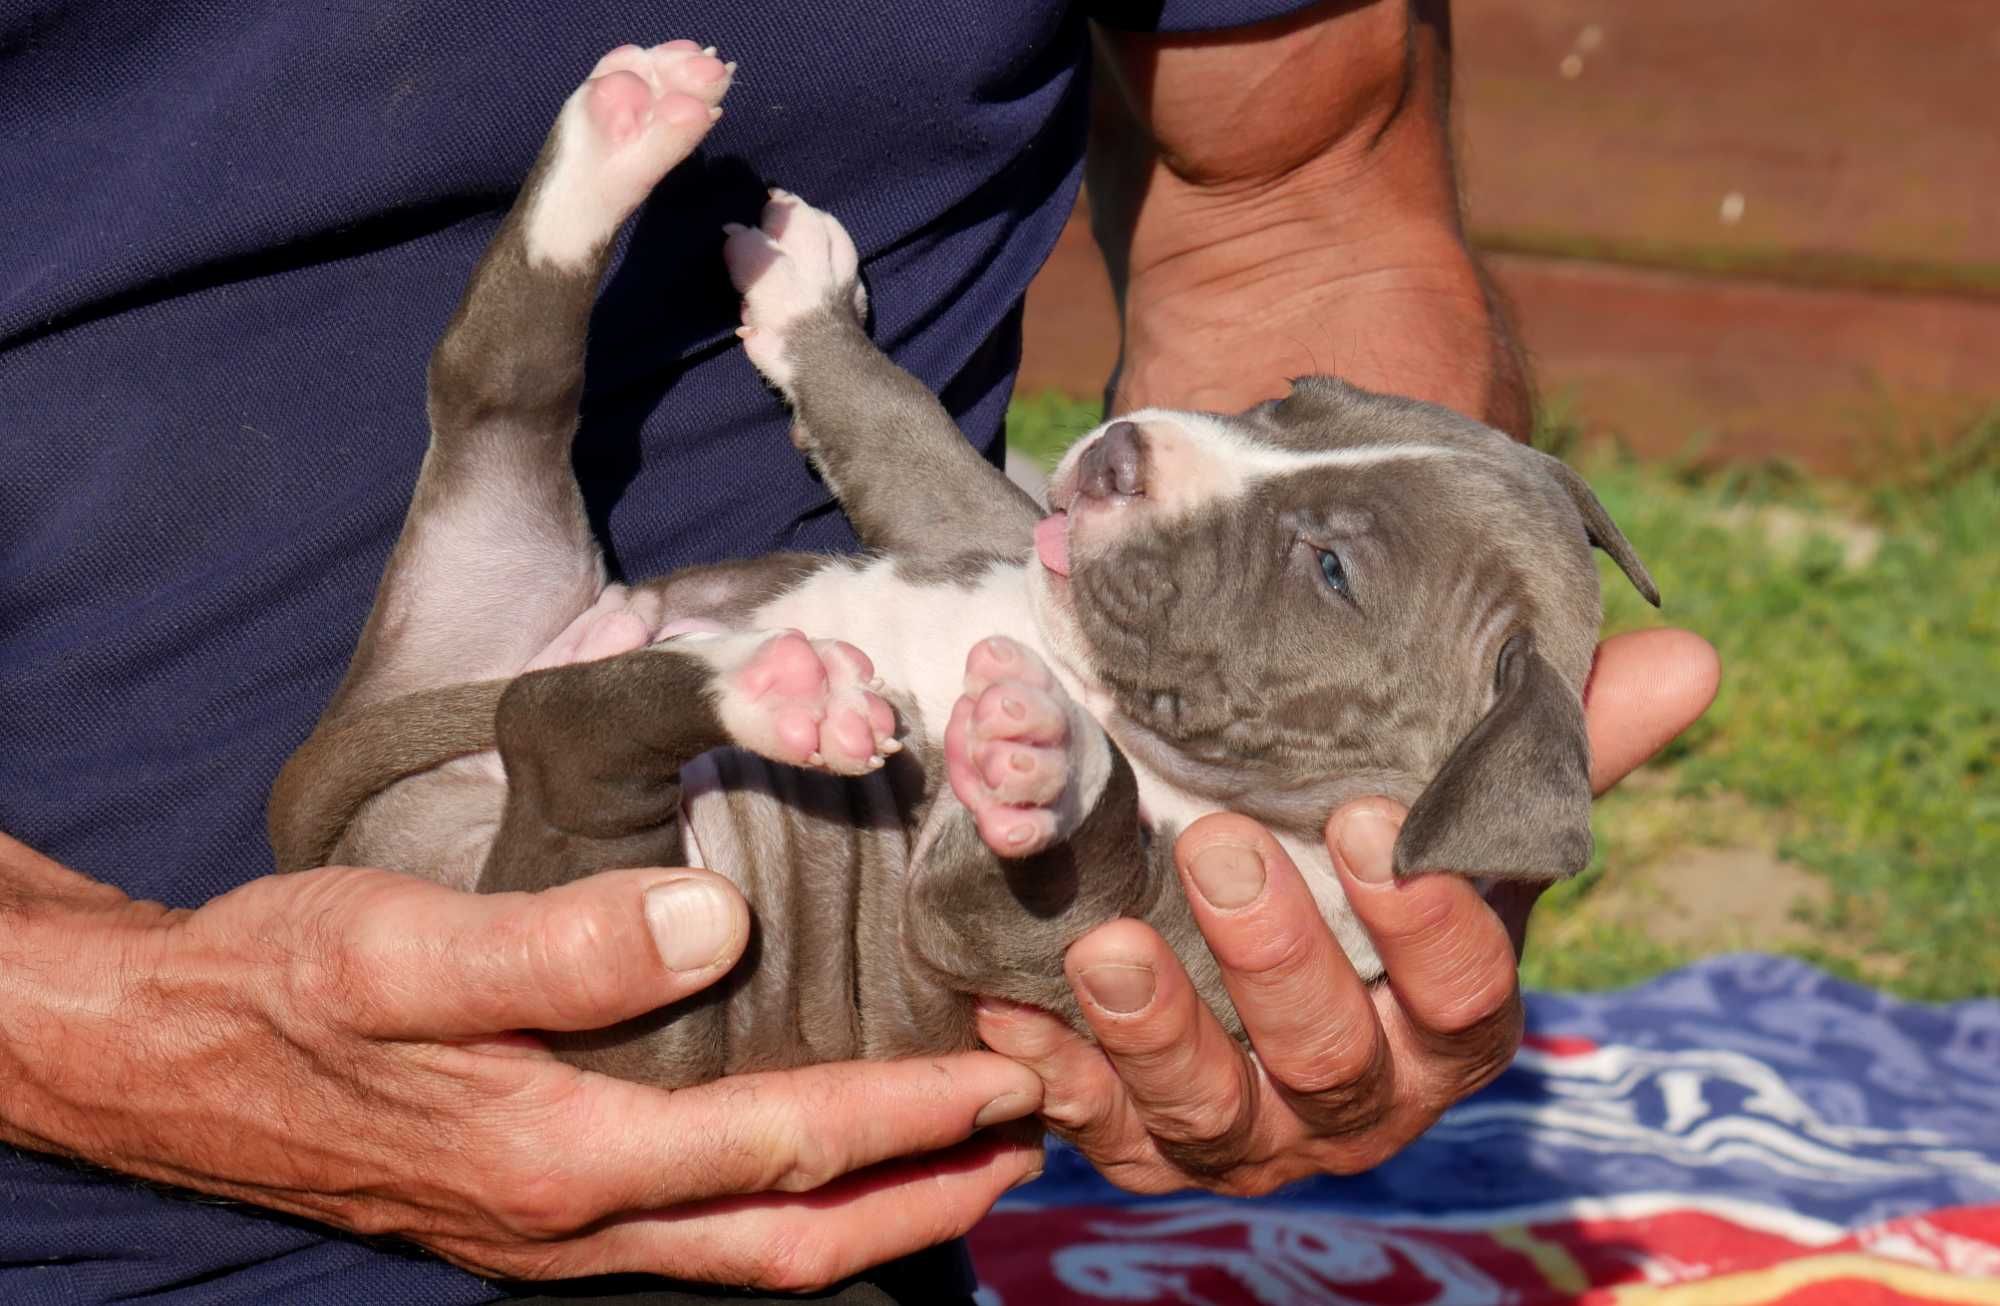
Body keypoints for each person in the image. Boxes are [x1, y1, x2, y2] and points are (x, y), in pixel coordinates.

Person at [0, 1, 1718, 1302]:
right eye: (1272, 427)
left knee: (505, 463)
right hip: (46, 1184)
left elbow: (1294, 185)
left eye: (1318, 536)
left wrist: (1391, 893)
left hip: (753, 1183)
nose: (1183, 444)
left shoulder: (1131, 667)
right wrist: (84, 1019)